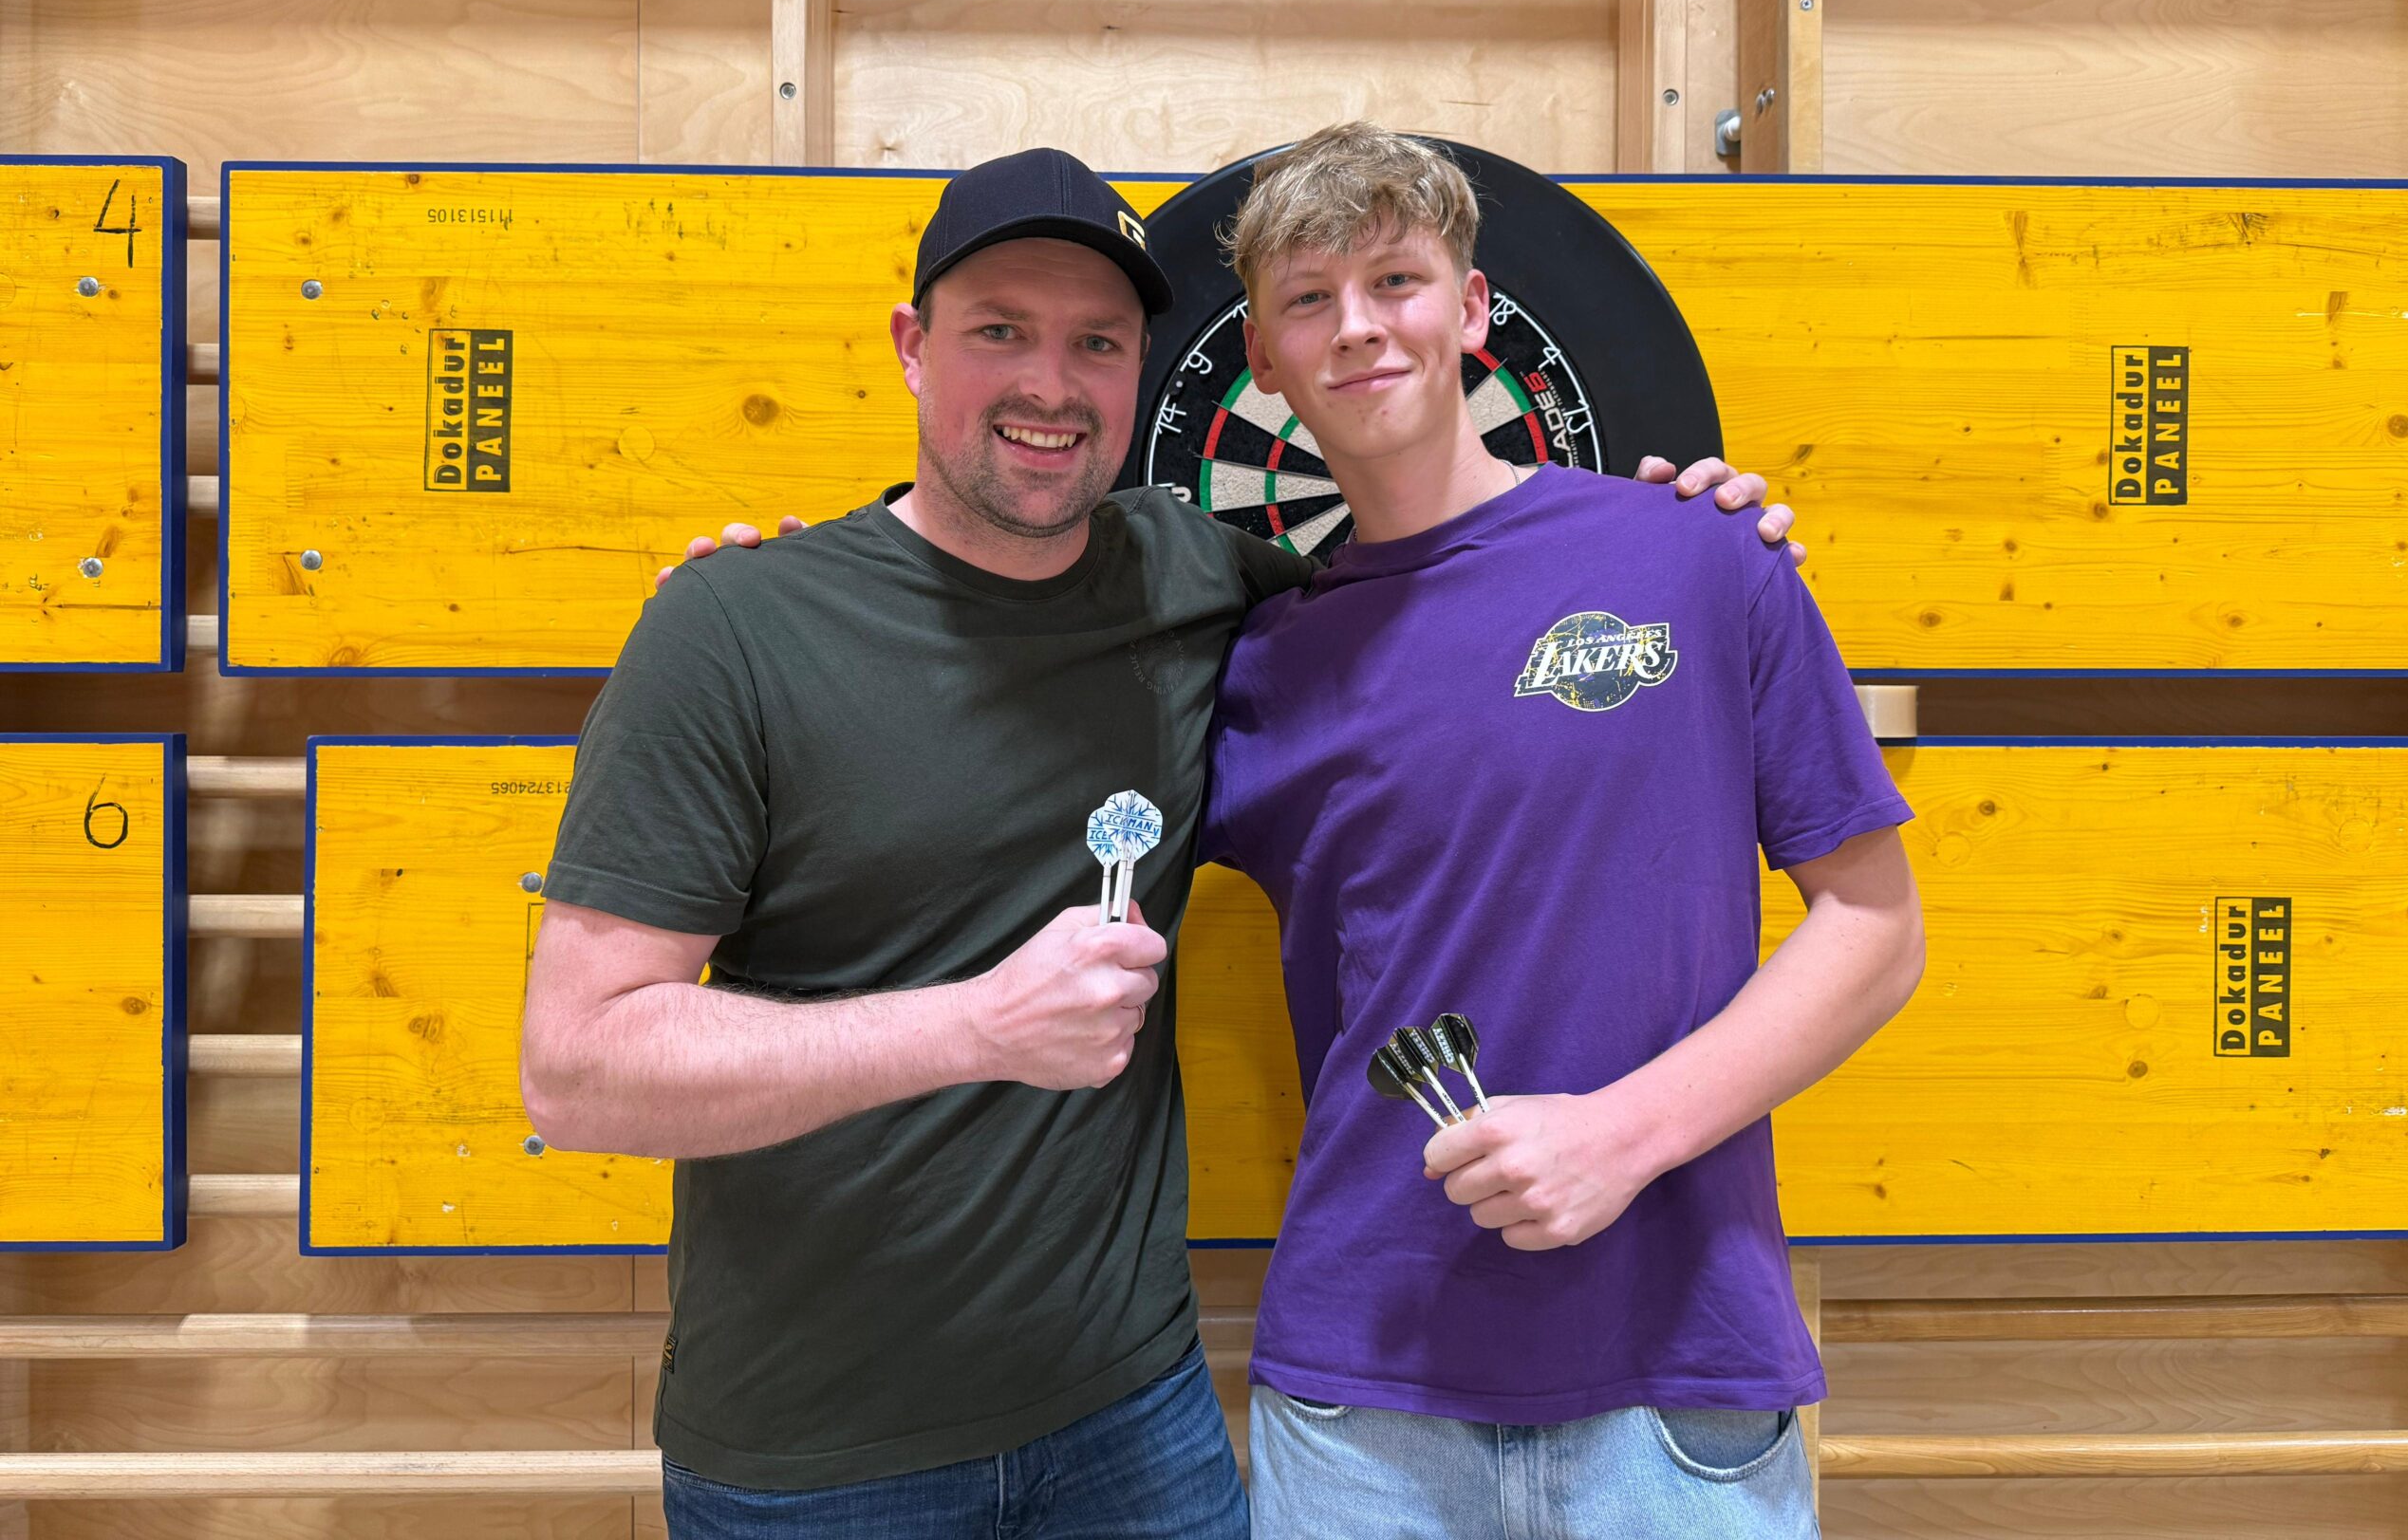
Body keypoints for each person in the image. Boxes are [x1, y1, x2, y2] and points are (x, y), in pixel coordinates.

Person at [543, 143, 1799, 1537]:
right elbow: (577, 1073)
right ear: (911, 347)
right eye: (999, 331)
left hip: (1135, 1428)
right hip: (815, 1456)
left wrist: (1692, 532)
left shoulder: (1209, 586)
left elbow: (1447, 605)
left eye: (1095, 342)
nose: (1049, 383)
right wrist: (972, 1027)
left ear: (1144, 371)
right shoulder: (733, 627)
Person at [1201, 123, 1926, 1538]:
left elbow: (1876, 928)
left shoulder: (1698, 557)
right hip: (1364, 1408)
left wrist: (1624, 1136)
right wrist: (775, 597)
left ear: (1473, 310)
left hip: (1679, 1385)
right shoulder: (1259, 664)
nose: (1358, 327)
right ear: (1265, 361)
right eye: (1308, 299)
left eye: (1395, 280)